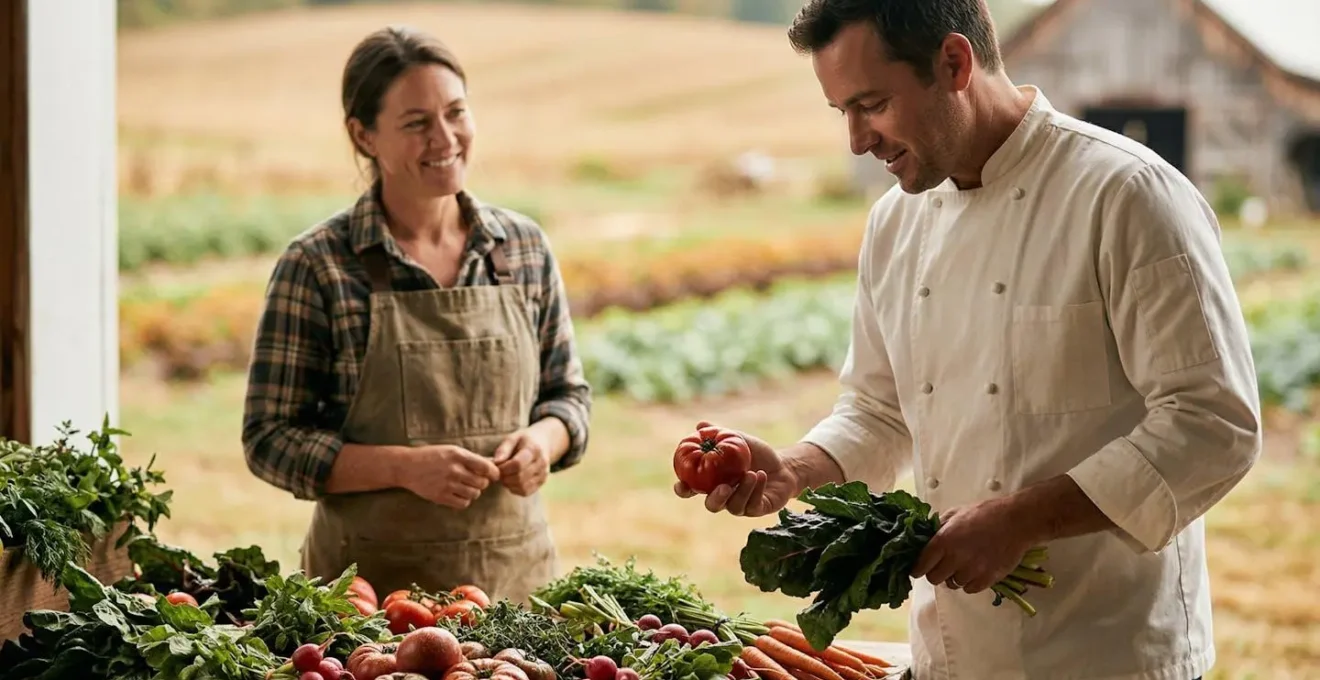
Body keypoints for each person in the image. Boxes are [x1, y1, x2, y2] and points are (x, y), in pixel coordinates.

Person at [675, 1, 1261, 678]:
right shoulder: (895, 223)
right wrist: (794, 470)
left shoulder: (1127, 194)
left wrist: (1021, 520)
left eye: (873, 103)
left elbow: (1213, 423)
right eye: (843, 112)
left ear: (954, 63)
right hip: (948, 649)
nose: (859, 140)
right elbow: (878, 408)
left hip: (1104, 647)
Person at [241, 25, 592, 605]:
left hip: (515, 600)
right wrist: (402, 468)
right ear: (364, 135)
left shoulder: (523, 248)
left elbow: (568, 397)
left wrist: (544, 442)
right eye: (416, 123)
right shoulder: (319, 266)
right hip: (364, 605)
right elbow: (269, 439)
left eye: (456, 112)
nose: (445, 137)